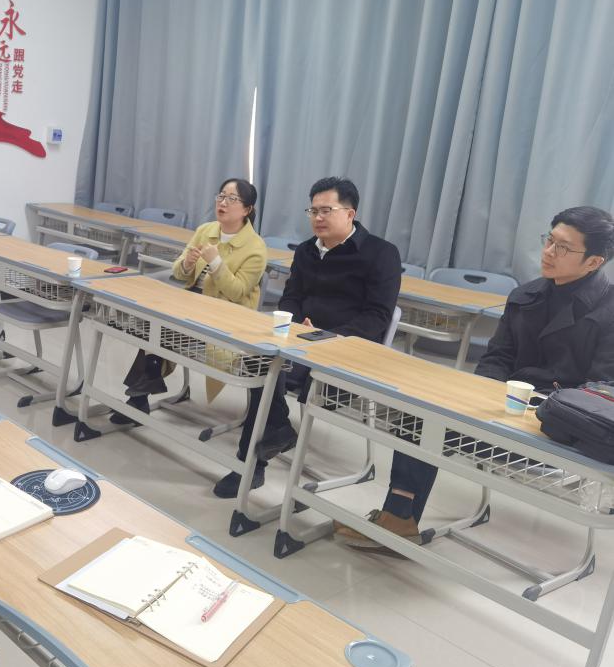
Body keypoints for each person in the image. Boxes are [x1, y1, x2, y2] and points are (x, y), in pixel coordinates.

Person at [335, 206, 614, 549]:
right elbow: (497, 357)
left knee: (430, 420)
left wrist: (544, 406)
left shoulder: (609, 310)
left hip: (560, 429)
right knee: (420, 414)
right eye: (549, 240)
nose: (549, 252)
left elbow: (601, 391)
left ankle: (398, 519)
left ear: (594, 262)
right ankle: (399, 518)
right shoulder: (525, 296)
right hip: (504, 411)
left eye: (564, 248)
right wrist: (481, 397)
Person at [213, 176, 402, 498]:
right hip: (299, 341)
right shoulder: (306, 251)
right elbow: (291, 297)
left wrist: (327, 337)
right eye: (313, 211)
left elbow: (378, 317)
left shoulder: (380, 253)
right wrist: (297, 325)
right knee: (258, 359)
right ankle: (273, 432)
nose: (318, 217)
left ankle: (253, 462)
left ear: (350, 214)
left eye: (326, 210)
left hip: (346, 350)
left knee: (272, 371)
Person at [112, 179, 268, 431]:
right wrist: (187, 264)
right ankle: (140, 394)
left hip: (224, 319)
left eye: (232, 199)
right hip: (191, 307)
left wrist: (216, 263)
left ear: (247, 209)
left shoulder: (256, 247)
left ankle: (139, 396)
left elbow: (238, 292)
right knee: (155, 321)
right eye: (221, 196)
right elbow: (178, 271)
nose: (223, 203)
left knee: (160, 328)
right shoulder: (206, 230)